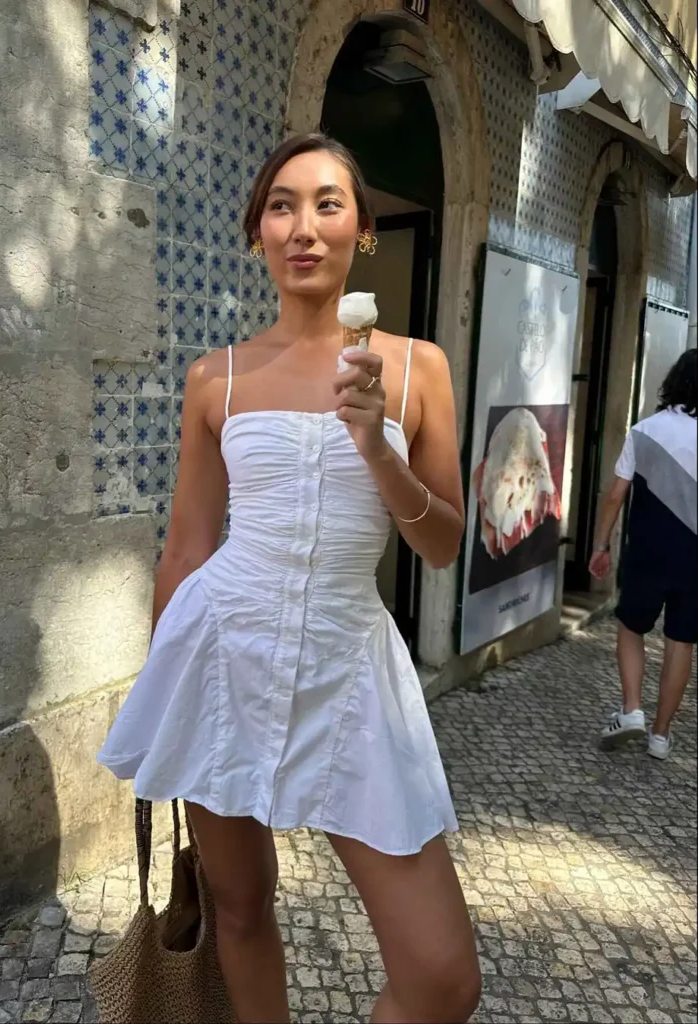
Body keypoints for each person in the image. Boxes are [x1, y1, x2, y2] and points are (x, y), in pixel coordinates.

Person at [98, 133, 481, 1024]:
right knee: (239, 904)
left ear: (363, 232)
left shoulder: (420, 367)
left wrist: (374, 446)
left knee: (442, 975)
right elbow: (187, 550)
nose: (303, 226)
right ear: (258, 234)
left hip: (353, 668)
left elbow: (443, 546)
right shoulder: (214, 379)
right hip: (223, 653)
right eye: (281, 206)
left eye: (327, 203)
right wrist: (164, 702)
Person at [590, 347, 697, 760]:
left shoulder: (645, 431)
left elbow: (616, 494)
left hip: (648, 552)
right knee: (681, 642)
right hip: (694, 559)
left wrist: (601, 545)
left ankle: (631, 709)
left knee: (632, 627)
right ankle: (660, 736)